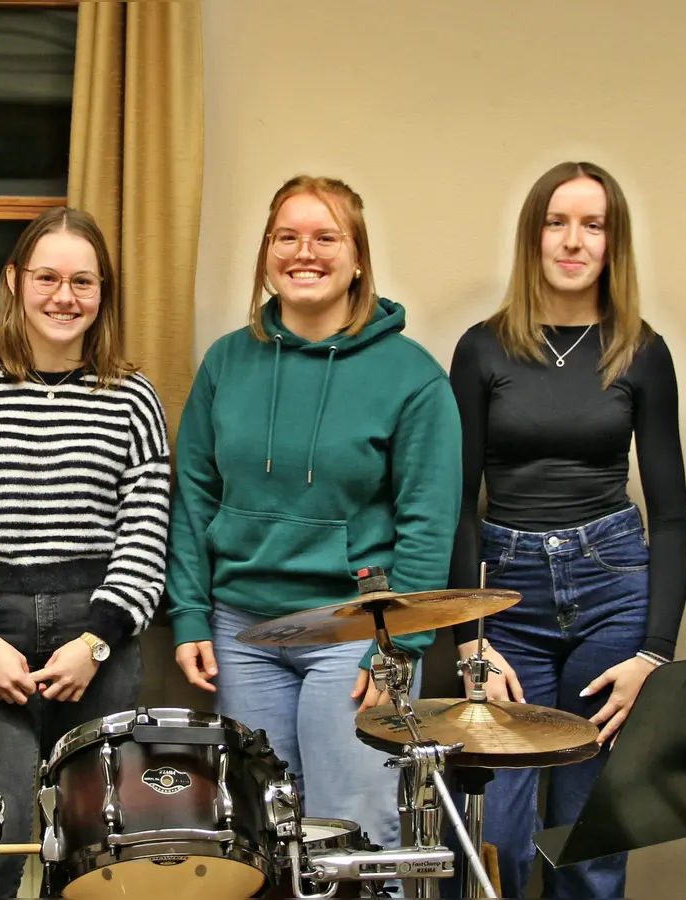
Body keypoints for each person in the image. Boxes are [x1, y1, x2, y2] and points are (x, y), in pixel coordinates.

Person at [167, 175, 460, 852]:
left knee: (352, 839)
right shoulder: (226, 362)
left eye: (326, 237)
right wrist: (188, 613)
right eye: (287, 237)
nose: (304, 252)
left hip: (354, 634)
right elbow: (194, 496)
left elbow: (427, 522)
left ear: (357, 258)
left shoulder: (411, 376)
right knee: (264, 839)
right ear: (267, 253)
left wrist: (398, 647)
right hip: (243, 632)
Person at [445, 161, 686, 898]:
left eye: (593, 225)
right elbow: (458, 505)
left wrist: (654, 653)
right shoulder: (482, 348)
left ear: (614, 243)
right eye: (557, 222)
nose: (573, 241)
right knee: (496, 837)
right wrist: (470, 639)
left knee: (588, 842)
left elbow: (671, 516)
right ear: (534, 235)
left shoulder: (641, 350)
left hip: (612, 592)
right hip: (506, 598)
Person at [0, 206, 170, 898]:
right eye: (47, 278)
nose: (65, 297)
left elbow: (145, 535)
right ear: (14, 281)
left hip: (96, 638)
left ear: (103, 292)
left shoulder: (132, 399)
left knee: (90, 848)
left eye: (83, 282)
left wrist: (94, 643)